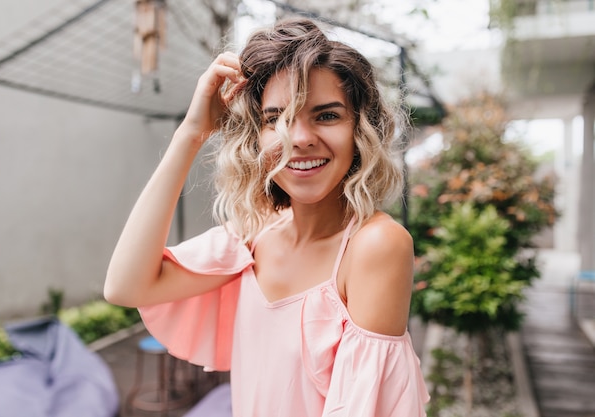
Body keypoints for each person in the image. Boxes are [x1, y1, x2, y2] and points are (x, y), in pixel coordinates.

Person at [104, 18, 429, 416]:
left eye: (326, 115)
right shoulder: (255, 234)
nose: (299, 137)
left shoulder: (375, 246)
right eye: (275, 118)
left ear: (361, 129)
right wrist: (191, 133)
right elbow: (125, 286)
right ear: (256, 134)